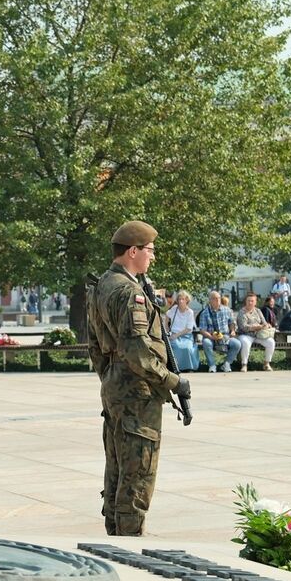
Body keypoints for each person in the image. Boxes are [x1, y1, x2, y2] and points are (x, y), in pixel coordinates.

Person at [86, 220, 186, 536]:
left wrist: (109, 376)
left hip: (115, 385)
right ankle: (130, 543)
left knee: (117, 467)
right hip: (137, 390)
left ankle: (115, 536)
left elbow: (94, 344)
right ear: (133, 251)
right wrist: (172, 381)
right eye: (150, 250)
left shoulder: (101, 285)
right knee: (138, 472)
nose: (152, 257)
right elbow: (139, 351)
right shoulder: (130, 294)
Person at [198, 290, 240, 373]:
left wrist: (232, 331)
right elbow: (202, 330)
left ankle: (227, 364)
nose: (217, 300)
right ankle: (212, 365)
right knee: (206, 342)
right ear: (210, 300)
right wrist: (211, 337)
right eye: (214, 298)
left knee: (237, 343)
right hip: (210, 337)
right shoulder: (204, 313)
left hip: (225, 336)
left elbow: (232, 322)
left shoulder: (227, 310)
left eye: (218, 298)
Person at [235, 293, 274, 373]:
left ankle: (266, 363)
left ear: (255, 302)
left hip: (258, 335)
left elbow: (264, 322)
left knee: (271, 342)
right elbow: (244, 327)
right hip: (245, 334)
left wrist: (267, 325)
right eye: (248, 301)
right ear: (245, 301)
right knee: (245, 342)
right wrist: (257, 327)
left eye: (252, 301)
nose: (250, 303)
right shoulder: (242, 312)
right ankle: (244, 364)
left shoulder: (258, 311)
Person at [165, 290, 200, 373]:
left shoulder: (190, 312)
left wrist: (176, 335)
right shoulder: (174, 309)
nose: (181, 301)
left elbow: (188, 328)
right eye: (179, 299)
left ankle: (189, 368)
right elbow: (166, 316)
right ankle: (176, 368)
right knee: (176, 346)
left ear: (187, 300)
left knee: (187, 348)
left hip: (186, 336)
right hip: (173, 335)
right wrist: (167, 330)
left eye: (183, 299)